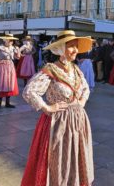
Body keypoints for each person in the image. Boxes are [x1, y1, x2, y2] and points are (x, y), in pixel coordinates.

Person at [21, 30, 94, 186]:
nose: (75, 50)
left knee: (75, 156)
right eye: (71, 46)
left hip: (78, 121)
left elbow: (86, 88)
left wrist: (81, 102)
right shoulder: (51, 69)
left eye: (76, 46)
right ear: (61, 48)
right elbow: (29, 91)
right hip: (58, 123)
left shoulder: (76, 69)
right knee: (59, 158)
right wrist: (47, 108)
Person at [0, 34, 20, 109]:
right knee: (2, 83)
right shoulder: (0, 47)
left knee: (9, 83)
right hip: (2, 67)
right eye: (9, 40)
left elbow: (18, 58)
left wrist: (18, 51)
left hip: (10, 66)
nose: (11, 42)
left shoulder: (13, 48)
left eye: (12, 41)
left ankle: (7, 103)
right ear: (5, 40)